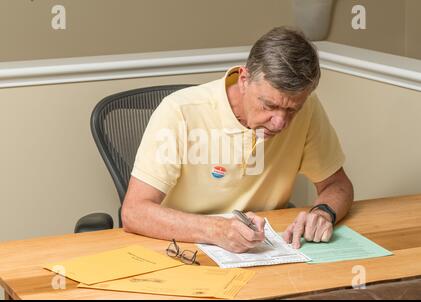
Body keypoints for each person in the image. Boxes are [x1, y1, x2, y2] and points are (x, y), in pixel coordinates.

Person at [122, 26, 354, 253]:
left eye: (292, 110)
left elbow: (337, 184)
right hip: (182, 249)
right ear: (244, 79)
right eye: (269, 105)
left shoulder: (308, 110)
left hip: (268, 252)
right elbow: (134, 212)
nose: (280, 123)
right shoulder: (179, 111)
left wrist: (324, 213)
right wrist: (215, 230)